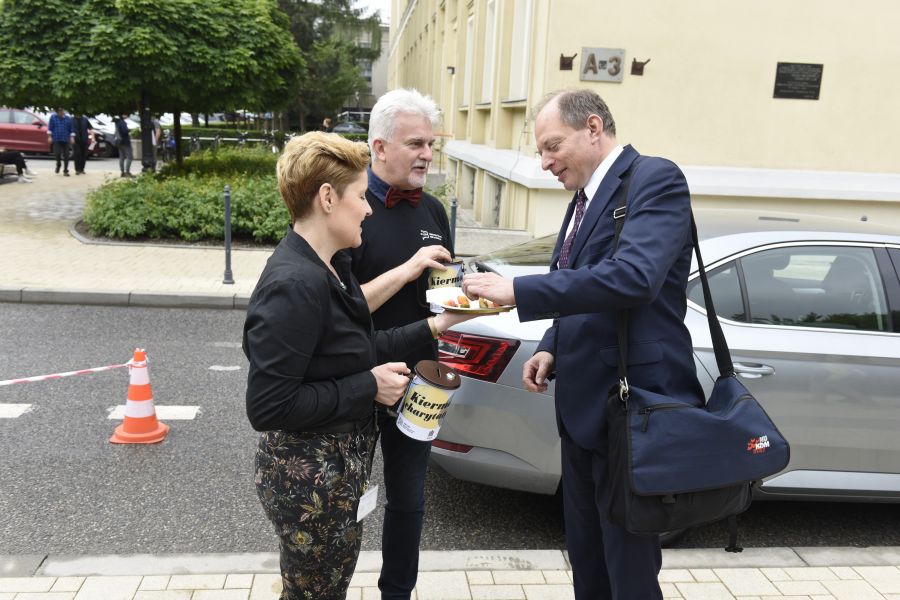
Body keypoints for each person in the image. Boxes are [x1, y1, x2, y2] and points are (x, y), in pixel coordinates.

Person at [462, 89, 703, 600]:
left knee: (629, 572)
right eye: (541, 151)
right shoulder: (583, 197)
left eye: (552, 146)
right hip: (581, 410)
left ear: (593, 128)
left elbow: (635, 278)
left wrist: (519, 290)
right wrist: (551, 342)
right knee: (588, 562)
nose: (544, 162)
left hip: (633, 411)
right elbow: (583, 282)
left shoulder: (655, 179)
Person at [243, 131, 475, 600]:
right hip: (308, 483)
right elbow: (268, 407)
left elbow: (362, 344)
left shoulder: (332, 265)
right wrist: (367, 386)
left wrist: (440, 323)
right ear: (328, 198)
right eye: (359, 196)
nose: (369, 208)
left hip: (335, 478)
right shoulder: (294, 283)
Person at [347, 88, 453, 600]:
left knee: (409, 501)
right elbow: (335, 310)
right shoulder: (346, 208)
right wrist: (408, 267)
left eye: (431, 144)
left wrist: (461, 299)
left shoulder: (433, 210)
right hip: (352, 378)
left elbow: (435, 301)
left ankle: (397, 593)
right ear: (379, 147)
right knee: (339, 498)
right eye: (416, 143)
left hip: (421, 380)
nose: (427, 154)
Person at [47, 108, 73, 176]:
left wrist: (72, 137)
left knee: (66, 155)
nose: (61, 112)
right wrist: (49, 137)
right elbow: (50, 128)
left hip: (66, 139)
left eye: (62, 111)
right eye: (59, 111)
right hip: (56, 138)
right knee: (57, 153)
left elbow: (71, 129)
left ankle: (65, 171)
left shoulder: (68, 118)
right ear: (57, 112)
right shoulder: (53, 117)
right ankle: (58, 164)